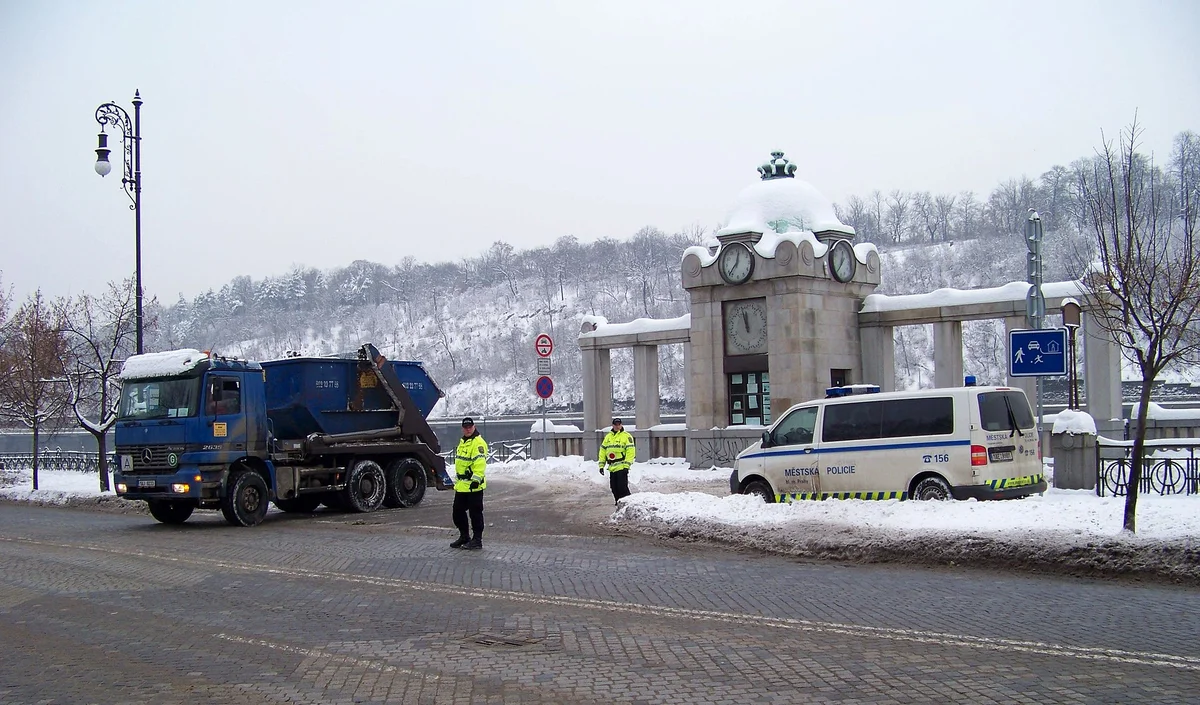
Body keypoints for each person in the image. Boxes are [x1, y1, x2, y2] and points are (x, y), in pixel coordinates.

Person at [451, 417, 487, 550]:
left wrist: (476, 480)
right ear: (462, 428)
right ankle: (464, 536)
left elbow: (480, 463)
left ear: (474, 426)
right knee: (457, 512)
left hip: (474, 486)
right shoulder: (463, 442)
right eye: (465, 427)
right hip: (462, 485)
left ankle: (477, 540)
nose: (467, 429)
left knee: (475, 513)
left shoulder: (478, 443)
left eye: (470, 427)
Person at [598, 417, 635, 505]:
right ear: (613, 425)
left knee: (622, 487)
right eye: (616, 424)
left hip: (622, 466)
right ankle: (618, 503)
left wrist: (627, 466)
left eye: (619, 424)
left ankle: (628, 504)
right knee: (614, 488)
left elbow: (630, 452)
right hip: (612, 466)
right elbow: (603, 451)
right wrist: (601, 465)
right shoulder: (608, 437)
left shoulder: (626, 436)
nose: (617, 426)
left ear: (621, 425)